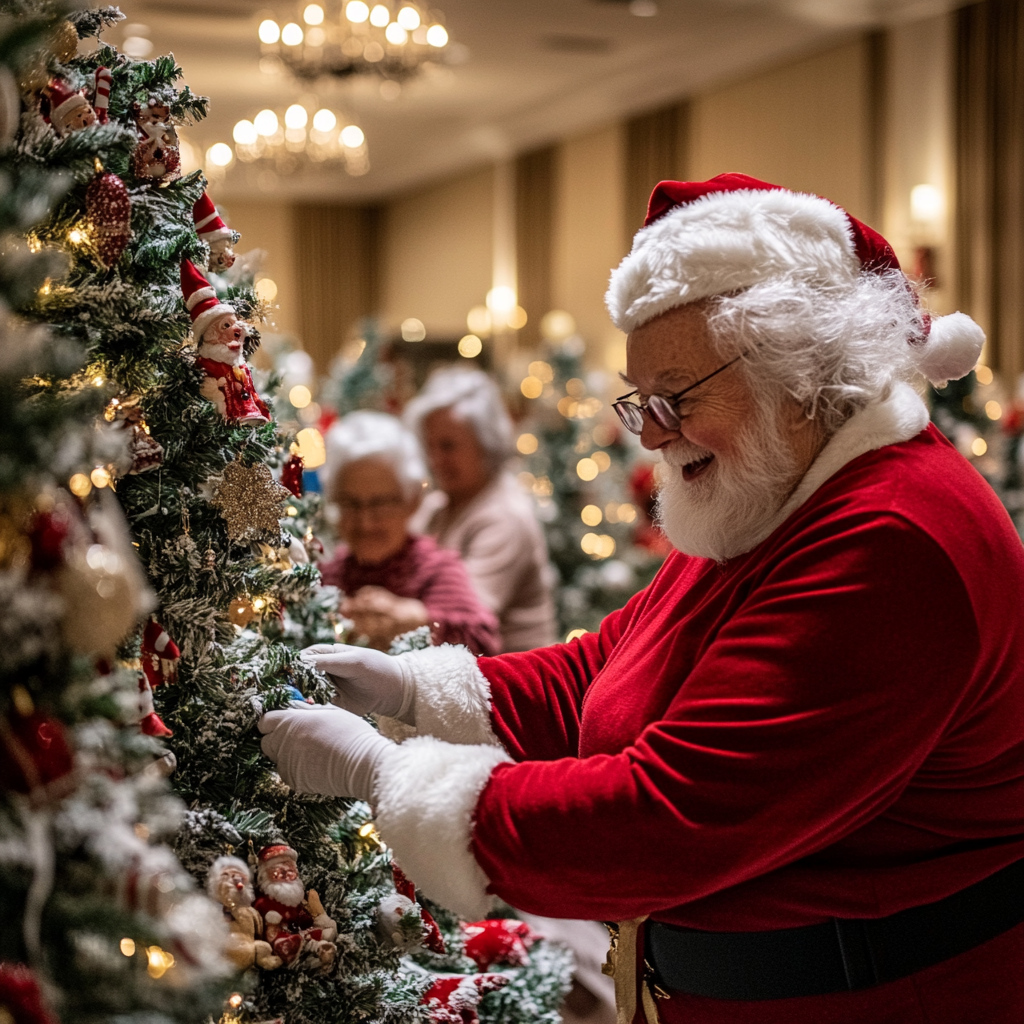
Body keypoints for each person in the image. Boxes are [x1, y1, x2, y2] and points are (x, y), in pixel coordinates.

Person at [261, 174, 1024, 1024]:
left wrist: (386, 772)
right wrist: (411, 693)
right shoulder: (774, 483)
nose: (652, 432)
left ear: (801, 365)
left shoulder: (889, 538)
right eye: (642, 401)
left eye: (677, 395)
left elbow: (673, 816)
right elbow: (610, 663)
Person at [319, 411, 500, 656]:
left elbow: (483, 643)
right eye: (351, 504)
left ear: (411, 501)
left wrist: (417, 620)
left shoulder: (436, 570)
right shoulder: (325, 575)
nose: (365, 522)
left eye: (380, 504)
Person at [404, 367, 557, 651]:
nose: (434, 459)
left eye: (448, 446)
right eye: (429, 445)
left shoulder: (504, 517)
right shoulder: (436, 506)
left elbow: (461, 620)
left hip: (509, 684)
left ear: (487, 443)